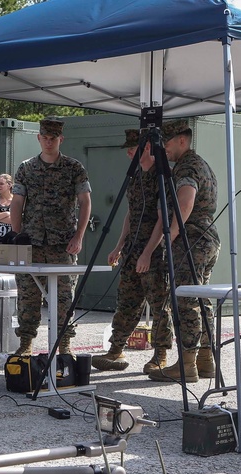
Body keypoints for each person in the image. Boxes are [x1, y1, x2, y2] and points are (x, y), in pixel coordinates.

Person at [141, 118, 220, 383]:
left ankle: (187, 365)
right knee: (201, 300)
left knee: (186, 301)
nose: (164, 148)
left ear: (182, 140)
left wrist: (170, 235)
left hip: (191, 240)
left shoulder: (187, 166)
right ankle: (205, 361)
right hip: (206, 238)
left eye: (167, 142)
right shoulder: (202, 164)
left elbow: (185, 202)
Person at [91, 129, 173, 374]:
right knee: (127, 301)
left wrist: (148, 252)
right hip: (132, 249)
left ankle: (160, 355)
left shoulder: (162, 176)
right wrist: (119, 246)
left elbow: (163, 220)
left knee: (159, 304)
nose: (128, 152)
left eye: (132, 147)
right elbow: (131, 213)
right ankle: (116, 350)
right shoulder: (136, 175)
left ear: (147, 147)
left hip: (155, 251)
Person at [9, 117, 92, 357]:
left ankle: (64, 344)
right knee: (27, 296)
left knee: (64, 298)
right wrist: (17, 236)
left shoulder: (74, 168)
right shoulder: (26, 168)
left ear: (60, 139)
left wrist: (79, 236)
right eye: (44, 138)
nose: (48, 142)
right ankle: (25, 343)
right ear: (38, 138)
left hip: (62, 244)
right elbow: (17, 203)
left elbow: (85, 202)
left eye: (53, 138)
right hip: (31, 243)